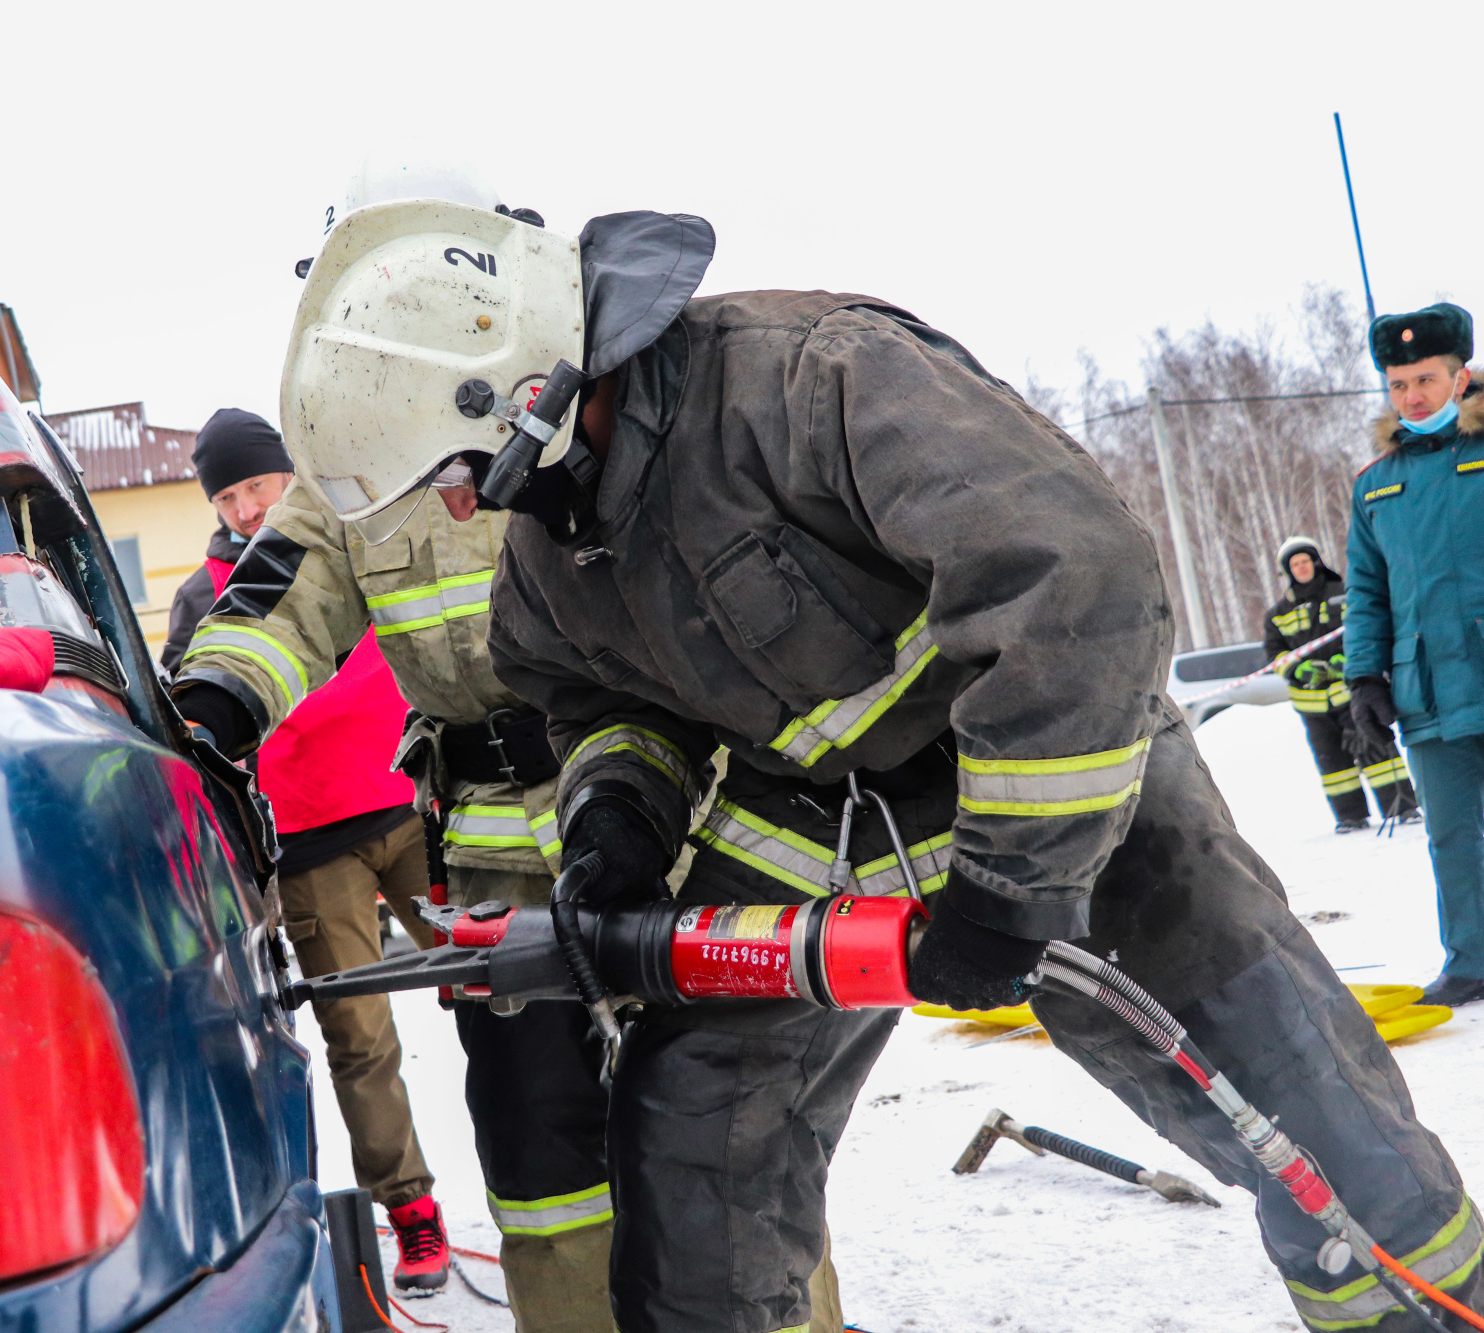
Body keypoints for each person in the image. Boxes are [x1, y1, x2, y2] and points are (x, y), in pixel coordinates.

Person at [280, 199, 1482, 1333]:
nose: (456, 501)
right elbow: (589, 696)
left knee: (1313, 1128)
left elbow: (1072, 581)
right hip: (803, 833)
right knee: (698, 1151)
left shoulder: (808, 376)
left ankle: (1422, 1304)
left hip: (1053, 778)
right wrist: (615, 812)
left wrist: (1012, 890)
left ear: (522, 389)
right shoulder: (552, 551)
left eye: (454, 463)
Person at [167, 165, 639, 1333]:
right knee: (539, 1153)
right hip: (492, 860)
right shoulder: (351, 462)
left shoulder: (596, 395)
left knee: (719, 1130)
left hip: (659, 826)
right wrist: (209, 719)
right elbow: (278, 595)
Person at [165, 408, 454, 1292]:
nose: (249, 507)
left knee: (501, 991)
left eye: (258, 484)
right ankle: (410, 1210)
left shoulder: (360, 537)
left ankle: (568, 1157)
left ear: (289, 476)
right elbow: (194, 726)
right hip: (310, 846)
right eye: (229, 494)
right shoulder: (200, 596)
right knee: (359, 1038)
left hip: (414, 809)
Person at [1346, 302, 1484, 1010]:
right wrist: (1365, 675)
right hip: (1427, 687)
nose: (1412, 397)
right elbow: (1366, 593)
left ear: (1461, 376)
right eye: (1398, 385)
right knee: (1453, 833)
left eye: (1425, 379)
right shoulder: (1375, 484)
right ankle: (1472, 958)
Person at [1262, 535, 1416, 831]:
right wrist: (1299, 670)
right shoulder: (1277, 614)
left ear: (1316, 562)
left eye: (1306, 560)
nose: (1302, 567)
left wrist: (1349, 662)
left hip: (1352, 693)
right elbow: (1274, 654)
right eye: (1295, 564)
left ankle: (1403, 807)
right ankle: (1350, 816)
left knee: (1377, 749)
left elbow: (1365, 628)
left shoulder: (1346, 593)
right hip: (1313, 706)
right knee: (1333, 765)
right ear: (1287, 571)